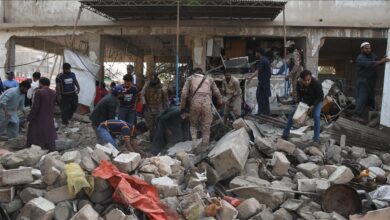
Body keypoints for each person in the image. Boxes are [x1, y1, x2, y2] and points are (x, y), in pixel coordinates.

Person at [180, 68, 222, 153]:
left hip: (195, 104)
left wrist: (182, 107)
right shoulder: (209, 79)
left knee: (193, 125)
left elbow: (184, 94)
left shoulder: (190, 78)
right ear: (202, 73)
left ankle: (194, 144)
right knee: (206, 127)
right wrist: (220, 103)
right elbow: (217, 92)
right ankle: (204, 149)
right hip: (207, 104)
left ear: (194, 73)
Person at [282, 70, 324, 145]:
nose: (307, 82)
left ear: (311, 78)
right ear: (301, 79)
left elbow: (320, 97)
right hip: (306, 101)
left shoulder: (317, 84)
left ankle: (316, 139)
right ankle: (285, 134)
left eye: (309, 80)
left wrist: (313, 105)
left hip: (317, 101)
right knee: (292, 115)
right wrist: (299, 103)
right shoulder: (299, 83)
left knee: (316, 116)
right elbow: (299, 94)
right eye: (305, 80)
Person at [353, 42, 390, 122]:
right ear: (362, 49)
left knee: (370, 99)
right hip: (363, 81)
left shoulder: (371, 55)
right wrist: (382, 61)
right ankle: (356, 115)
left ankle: (365, 116)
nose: (368, 50)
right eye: (366, 48)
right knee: (362, 98)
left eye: (369, 48)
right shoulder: (360, 58)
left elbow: (377, 61)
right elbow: (371, 64)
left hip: (370, 81)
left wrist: (382, 59)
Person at [26, 77, 57, 151]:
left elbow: (36, 106)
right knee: (48, 132)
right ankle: (49, 149)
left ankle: (34, 149)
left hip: (39, 116)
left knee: (34, 132)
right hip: (49, 116)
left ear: (41, 83)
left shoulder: (39, 92)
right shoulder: (53, 92)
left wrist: (30, 118)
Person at [142, 73, 169, 141]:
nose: (153, 89)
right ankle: (152, 140)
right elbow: (142, 95)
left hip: (159, 109)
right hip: (149, 109)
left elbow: (166, 100)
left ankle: (160, 140)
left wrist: (166, 110)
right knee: (151, 127)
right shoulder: (147, 86)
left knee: (159, 126)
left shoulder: (162, 88)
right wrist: (144, 104)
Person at [246, 48, 272, 115]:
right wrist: (251, 75)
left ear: (259, 53)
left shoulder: (263, 60)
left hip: (264, 82)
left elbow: (258, 71)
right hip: (263, 81)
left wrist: (250, 78)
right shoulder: (264, 59)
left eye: (256, 53)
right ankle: (261, 112)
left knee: (263, 98)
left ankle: (265, 114)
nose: (255, 54)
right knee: (260, 96)